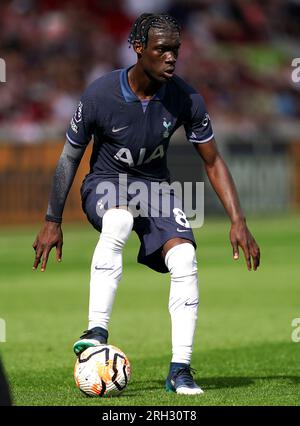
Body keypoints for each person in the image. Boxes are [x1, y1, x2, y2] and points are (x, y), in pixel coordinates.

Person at [32, 13, 260, 395]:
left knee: (185, 257)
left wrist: (238, 220)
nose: (171, 57)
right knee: (119, 220)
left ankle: (180, 371)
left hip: (155, 189)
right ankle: (96, 331)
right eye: (162, 50)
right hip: (106, 184)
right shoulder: (100, 94)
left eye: (176, 50)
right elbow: (70, 157)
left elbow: (213, 160)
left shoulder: (186, 97)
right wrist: (52, 219)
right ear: (139, 48)